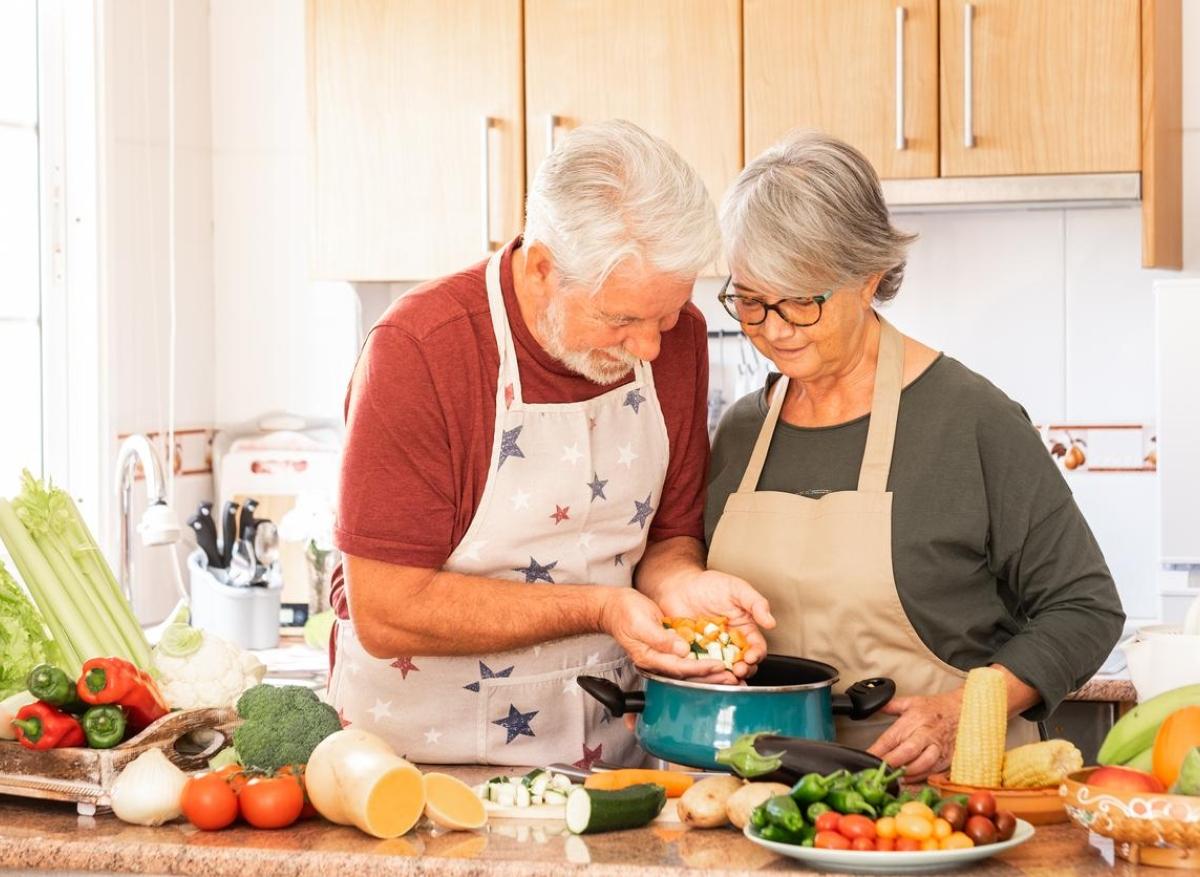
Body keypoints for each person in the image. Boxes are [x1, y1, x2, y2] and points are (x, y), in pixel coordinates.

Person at [328, 120, 773, 766]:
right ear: (542, 269)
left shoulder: (678, 342)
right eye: (620, 320)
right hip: (418, 773)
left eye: (667, 315)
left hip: (608, 767)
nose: (650, 347)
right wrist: (601, 608)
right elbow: (388, 609)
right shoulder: (421, 351)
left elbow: (667, 539)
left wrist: (682, 586)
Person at [705, 130, 1125, 780]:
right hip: (769, 802)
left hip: (946, 801)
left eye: (803, 301)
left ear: (868, 277)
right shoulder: (740, 430)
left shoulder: (971, 418)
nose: (776, 329)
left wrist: (966, 709)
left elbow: (1086, 607)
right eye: (752, 301)